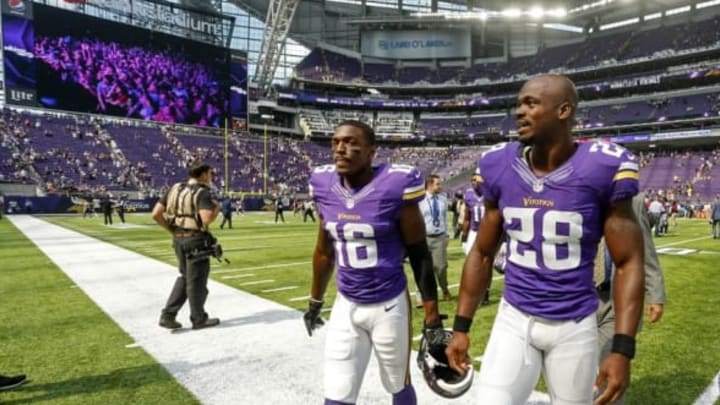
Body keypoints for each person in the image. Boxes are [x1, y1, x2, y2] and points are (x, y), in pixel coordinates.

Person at [446, 75, 645, 405]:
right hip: (515, 317)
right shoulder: (499, 165)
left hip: (575, 323)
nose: (519, 111)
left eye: (531, 103)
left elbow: (627, 262)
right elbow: (482, 253)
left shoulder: (602, 166)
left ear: (564, 110)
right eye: (519, 103)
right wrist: (461, 327)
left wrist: (622, 349)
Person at [304, 120, 443, 405]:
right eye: (336, 142)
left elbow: (419, 253)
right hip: (347, 303)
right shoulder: (323, 184)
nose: (340, 149)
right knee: (337, 391)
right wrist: (315, 301)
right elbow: (324, 251)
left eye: (351, 143)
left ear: (371, 152)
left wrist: (432, 316)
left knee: (397, 384)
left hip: (389, 304)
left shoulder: (395, 185)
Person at [595, 191, 666, 405]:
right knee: (574, 370)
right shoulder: (573, 192)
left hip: (618, 299)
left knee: (609, 369)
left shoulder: (632, 199)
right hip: (581, 298)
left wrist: (656, 293)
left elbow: (645, 248)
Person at [152, 161, 221, 330]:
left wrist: (172, 230)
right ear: (203, 174)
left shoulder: (175, 188)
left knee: (184, 277)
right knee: (196, 281)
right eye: (210, 174)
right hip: (195, 239)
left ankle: (168, 315)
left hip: (178, 238)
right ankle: (199, 319)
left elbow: (156, 214)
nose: (211, 177)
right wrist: (216, 210)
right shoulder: (202, 192)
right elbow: (205, 220)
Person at [420, 174, 452, 301]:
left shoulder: (442, 199)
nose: (440, 186)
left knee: (441, 267)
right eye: (438, 184)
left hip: (439, 237)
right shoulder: (420, 199)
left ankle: (444, 288)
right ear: (430, 185)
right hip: (424, 237)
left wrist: (447, 234)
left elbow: (444, 218)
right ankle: (421, 295)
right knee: (423, 268)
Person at [460, 174, 489, 305]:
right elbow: (467, 216)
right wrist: (464, 235)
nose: (473, 182)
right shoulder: (469, 195)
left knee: (487, 262)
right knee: (472, 263)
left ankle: (485, 292)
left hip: (488, 232)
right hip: (474, 230)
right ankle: (474, 291)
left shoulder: (490, 193)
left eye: (476, 180)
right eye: (471, 180)